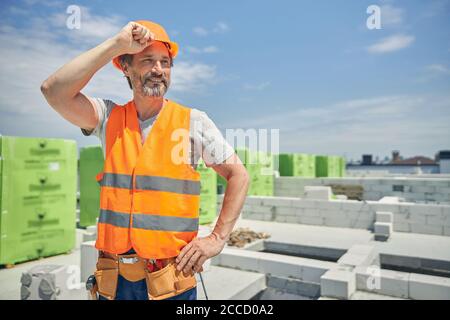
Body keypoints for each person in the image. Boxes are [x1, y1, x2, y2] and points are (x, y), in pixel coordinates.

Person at [41, 20, 249, 300]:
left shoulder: (193, 122)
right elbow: (53, 90)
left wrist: (216, 239)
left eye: (165, 62)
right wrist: (116, 44)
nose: (158, 70)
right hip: (114, 281)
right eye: (148, 60)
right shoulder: (108, 117)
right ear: (126, 67)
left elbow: (239, 175)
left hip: (171, 282)